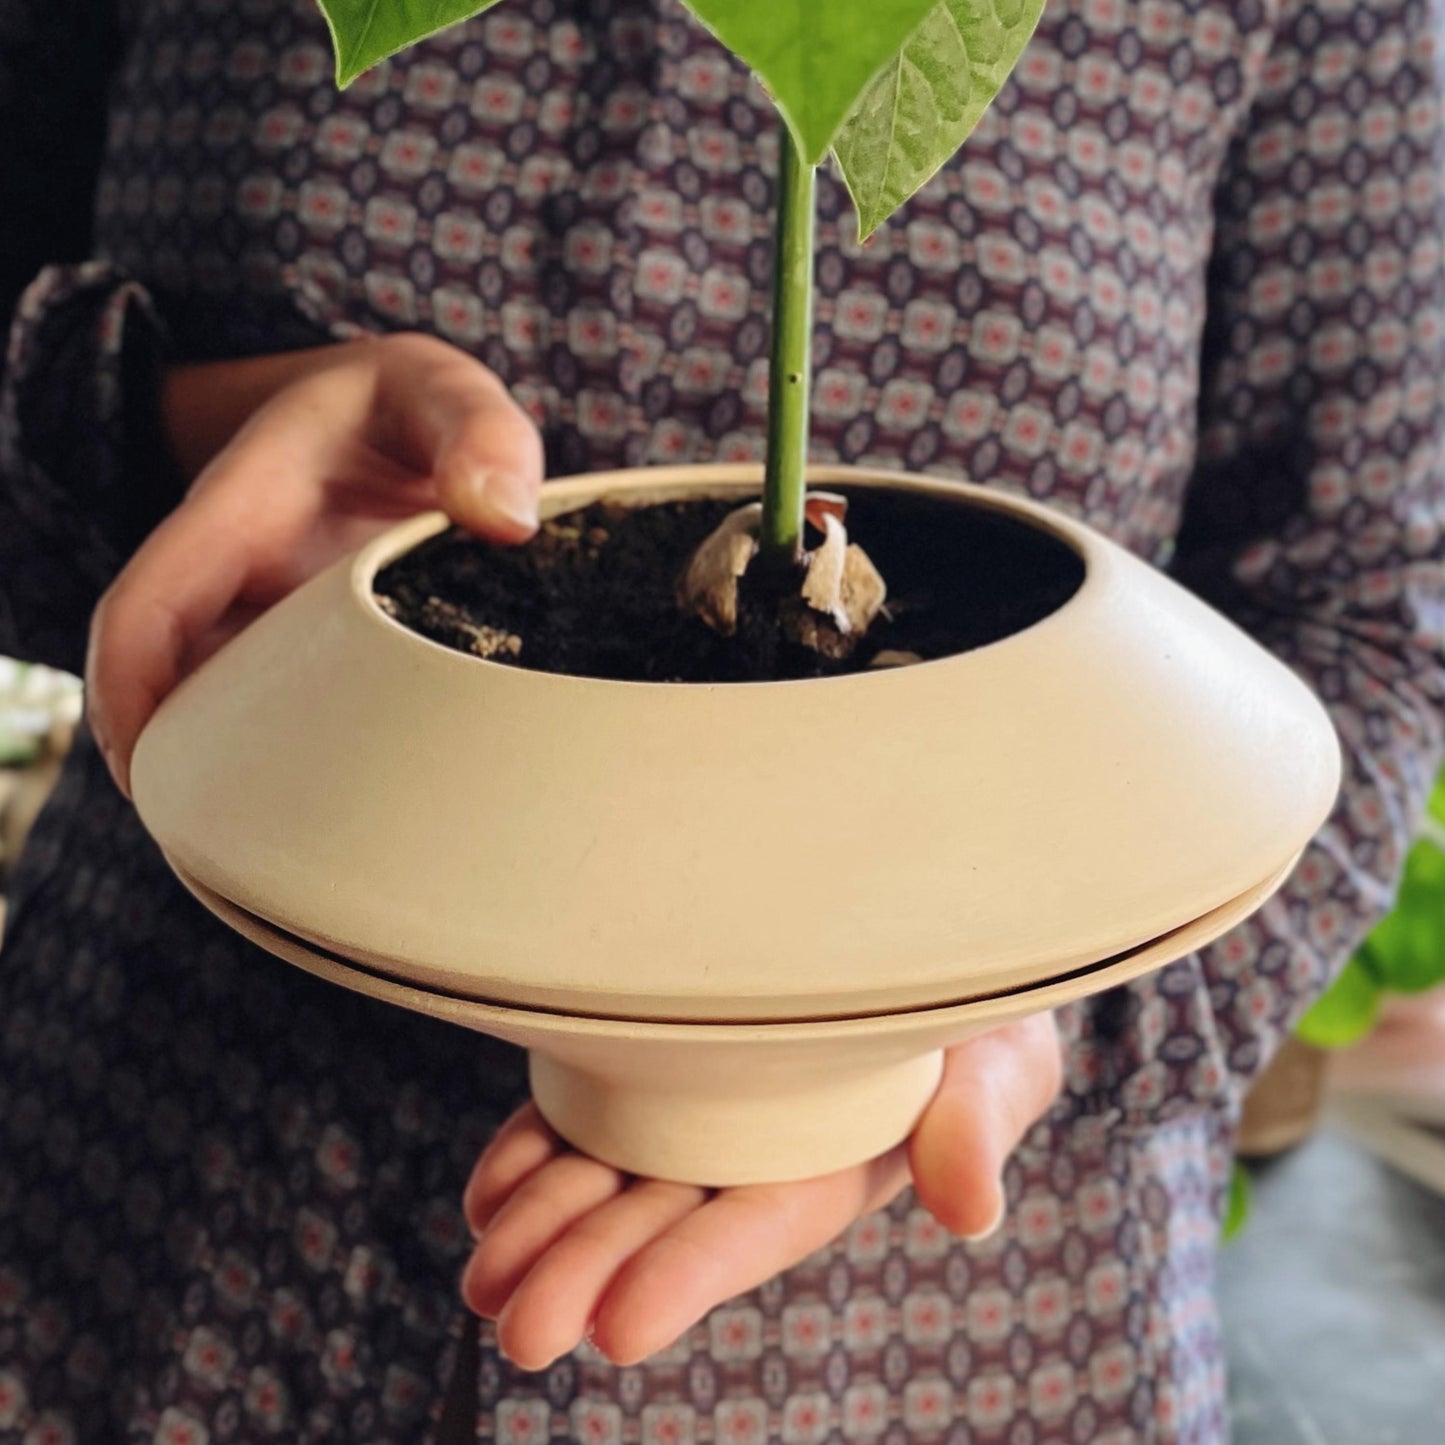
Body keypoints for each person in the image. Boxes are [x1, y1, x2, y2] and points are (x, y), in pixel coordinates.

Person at [0, 0, 1440, 1438]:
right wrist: (168, 440)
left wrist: (1042, 1012)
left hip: (937, 1353)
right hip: (150, 1224)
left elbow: (1372, 625)